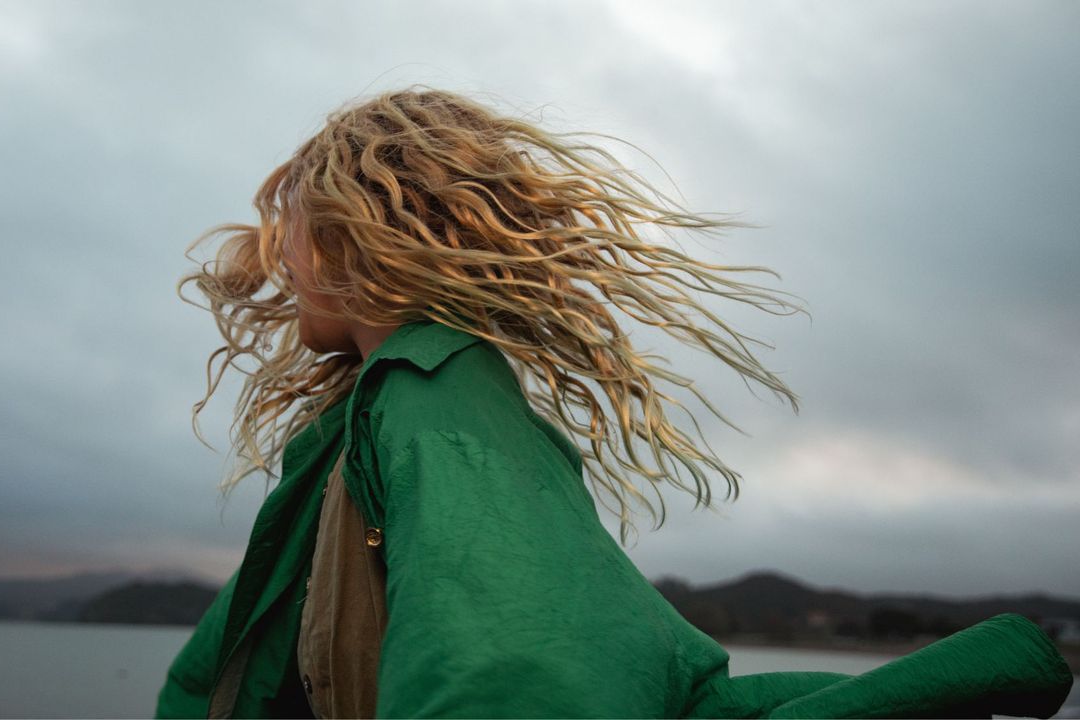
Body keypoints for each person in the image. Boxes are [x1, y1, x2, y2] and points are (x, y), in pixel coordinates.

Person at [158, 87, 1073, 719]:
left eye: (301, 238)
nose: (281, 264)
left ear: (361, 242)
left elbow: (511, 666)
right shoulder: (373, 422)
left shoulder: (439, 409)